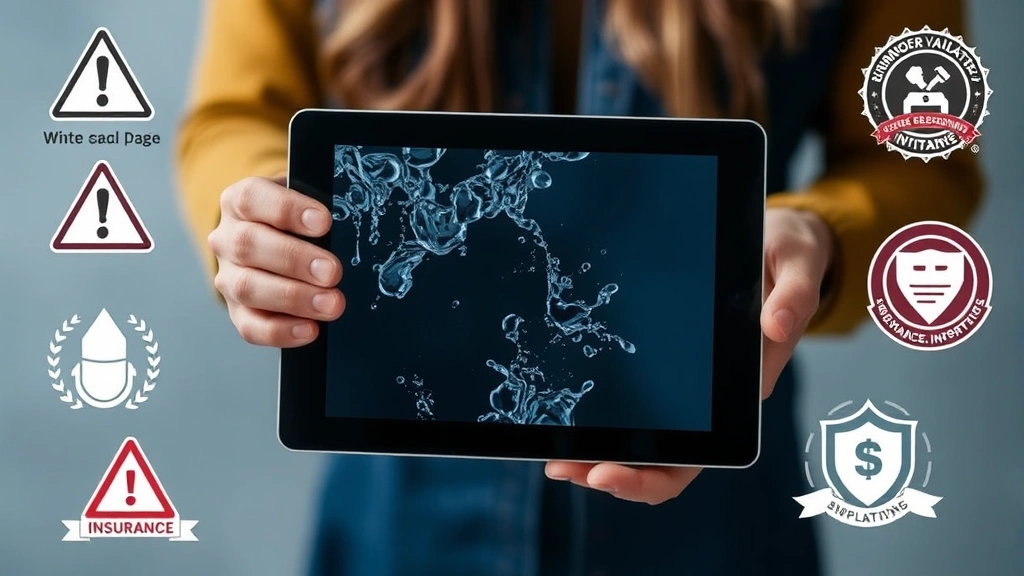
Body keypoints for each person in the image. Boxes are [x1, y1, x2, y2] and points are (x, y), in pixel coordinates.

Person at [175, 0, 983, 574]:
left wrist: (821, 235)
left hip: (717, 497)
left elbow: (925, 160)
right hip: (402, 498)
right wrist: (261, 217)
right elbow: (233, 114)